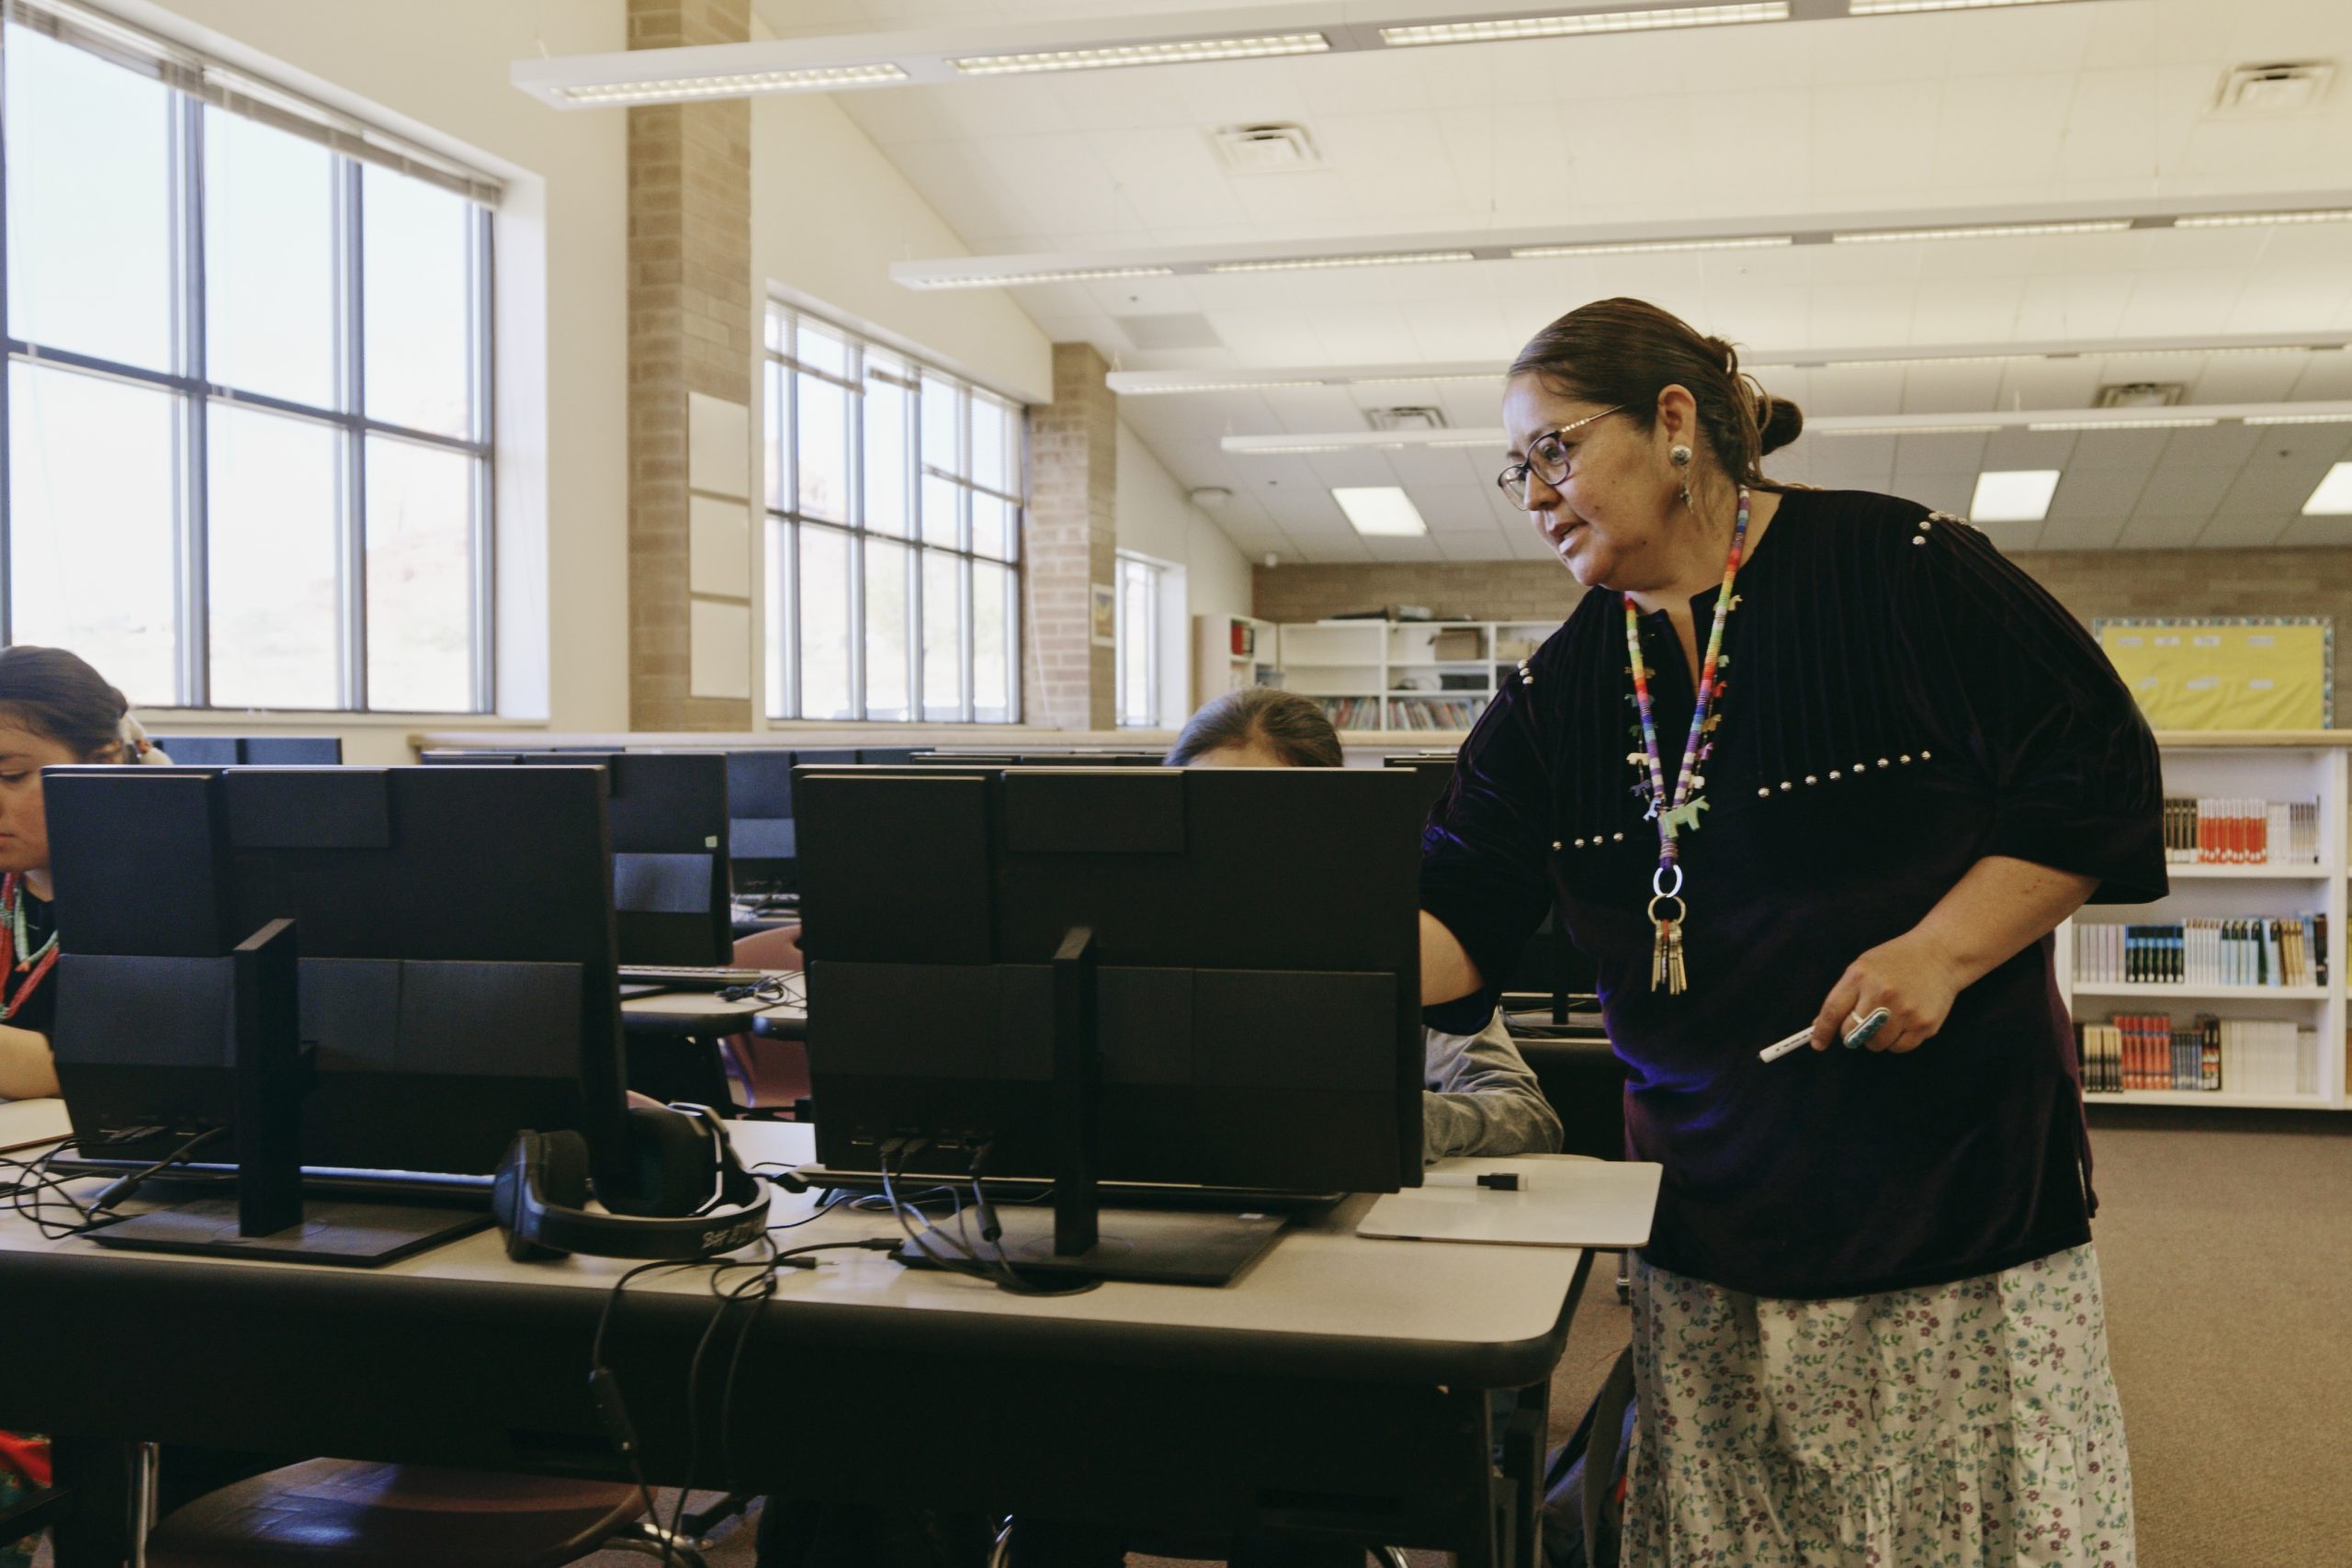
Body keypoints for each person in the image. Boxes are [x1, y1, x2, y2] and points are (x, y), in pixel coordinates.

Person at [1419, 297, 2159, 1566]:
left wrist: (1945, 947)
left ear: (1671, 423)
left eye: (1554, 448)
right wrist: (1284, 948)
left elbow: (2096, 772)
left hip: (1950, 1202)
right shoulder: (1559, 691)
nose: (1532, 492)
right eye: (1517, 466)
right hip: (1714, 1218)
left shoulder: (1902, 569)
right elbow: (1460, 918)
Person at [1162, 685, 1562, 1164]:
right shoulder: (1132, 932)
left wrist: (1398, 1120)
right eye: (1207, 813)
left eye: (1260, 815)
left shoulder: (1395, 938)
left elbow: (1527, 1117)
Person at [0, 645, 169, 1101]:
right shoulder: (9, 884)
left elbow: (109, 1066)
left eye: (11, 776)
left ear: (102, 762)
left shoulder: (162, 899)